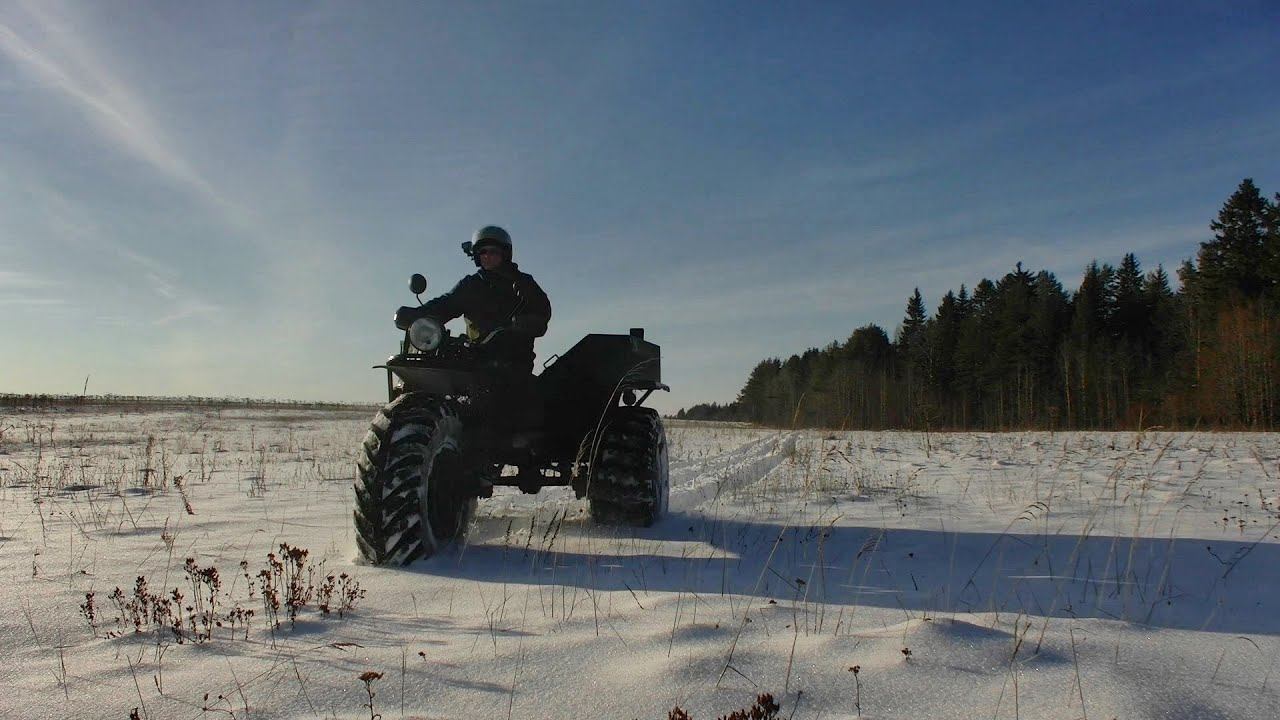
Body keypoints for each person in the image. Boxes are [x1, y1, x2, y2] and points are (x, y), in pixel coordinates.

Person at [411, 225, 551, 373]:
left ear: (504, 254)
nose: (487, 256)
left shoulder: (523, 282)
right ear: (477, 256)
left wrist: (528, 322)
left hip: (514, 363)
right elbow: (447, 303)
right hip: (475, 361)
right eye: (483, 252)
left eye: (493, 252)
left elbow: (543, 310)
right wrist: (416, 315)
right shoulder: (471, 285)